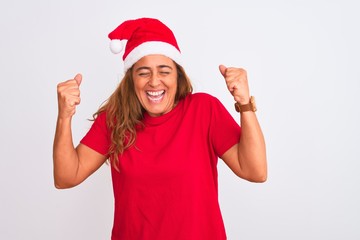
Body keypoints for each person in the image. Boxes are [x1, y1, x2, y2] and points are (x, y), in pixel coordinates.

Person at [53, 17, 267, 240]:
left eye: (164, 71)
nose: (154, 82)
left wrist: (244, 104)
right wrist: (64, 117)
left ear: (178, 76)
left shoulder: (204, 110)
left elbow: (255, 171)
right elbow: (66, 177)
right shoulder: (115, 120)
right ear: (131, 79)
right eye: (143, 72)